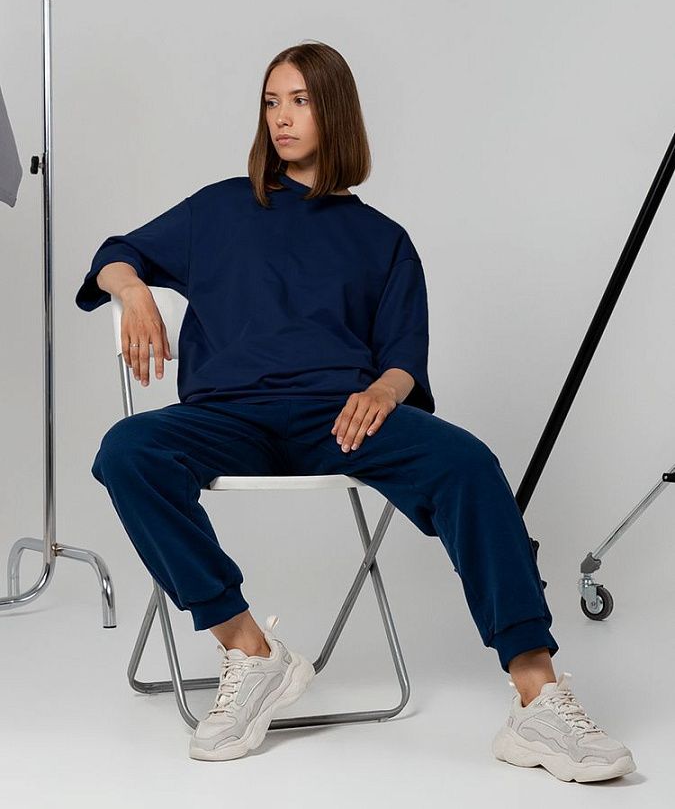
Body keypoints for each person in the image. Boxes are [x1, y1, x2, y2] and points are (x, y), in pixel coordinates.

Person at [75, 41, 636, 780]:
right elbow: (115, 253)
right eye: (270, 102)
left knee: (467, 462)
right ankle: (249, 650)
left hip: (338, 420)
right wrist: (135, 290)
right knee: (127, 449)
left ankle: (537, 697)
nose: (280, 118)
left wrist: (382, 392)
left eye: (299, 101)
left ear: (335, 111)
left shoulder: (382, 240)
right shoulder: (219, 208)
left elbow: (404, 357)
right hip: (227, 420)